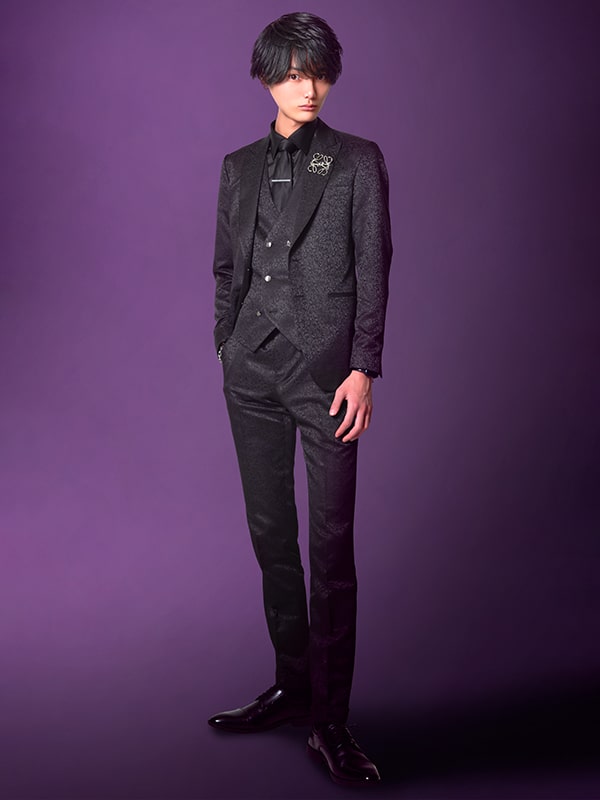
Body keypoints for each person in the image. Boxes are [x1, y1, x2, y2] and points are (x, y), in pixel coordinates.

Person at [208, 11, 392, 787]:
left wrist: (363, 367)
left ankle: (330, 721)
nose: (306, 87)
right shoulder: (237, 166)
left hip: (326, 378)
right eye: (290, 74)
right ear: (265, 79)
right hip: (250, 373)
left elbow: (375, 265)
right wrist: (226, 338)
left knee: (330, 549)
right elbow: (226, 265)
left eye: (316, 72)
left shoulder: (356, 161)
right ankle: (292, 688)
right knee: (271, 537)